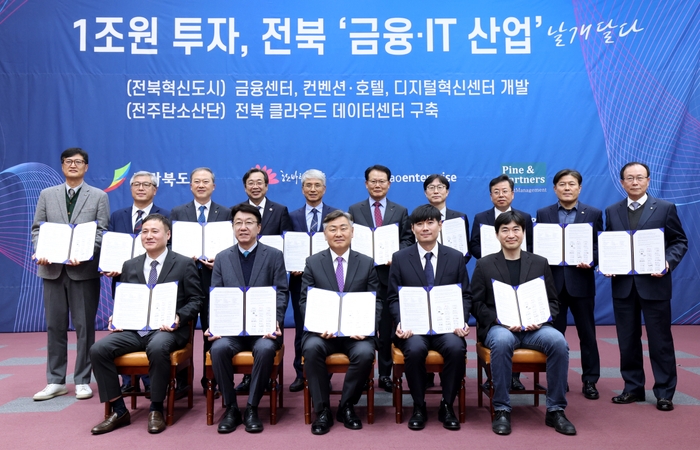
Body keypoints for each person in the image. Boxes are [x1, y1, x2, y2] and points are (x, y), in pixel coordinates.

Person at [89, 214, 203, 434]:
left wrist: (179, 316)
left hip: (168, 329)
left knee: (158, 346)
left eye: (154, 231)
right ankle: (118, 409)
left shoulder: (183, 263)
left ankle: (156, 408)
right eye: (144, 231)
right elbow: (123, 298)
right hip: (135, 330)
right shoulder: (130, 265)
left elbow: (196, 300)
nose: (148, 236)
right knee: (98, 349)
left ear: (168, 235)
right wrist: (117, 316)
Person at [471, 210, 576, 436]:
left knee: (558, 341)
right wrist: (499, 319)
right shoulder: (484, 264)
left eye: (516, 229)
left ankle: (556, 409)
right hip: (500, 328)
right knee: (501, 341)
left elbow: (553, 301)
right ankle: (502, 408)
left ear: (524, 232)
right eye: (505, 230)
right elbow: (476, 303)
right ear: (497, 235)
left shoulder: (539, 263)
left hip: (534, 329)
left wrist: (540, 319)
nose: (511, 235)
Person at [604, 162, 687, 411]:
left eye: (640, 177)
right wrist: (606, 262)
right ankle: (633, 388)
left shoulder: (665, 208)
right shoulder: (612, 211)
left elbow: (679, 241)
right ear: (622, 183)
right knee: (627, 340)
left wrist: (667, 262)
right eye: (629, 178)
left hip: (655, 284)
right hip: (623, 286)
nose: (635, 182)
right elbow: (610, 243)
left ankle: (664, 393)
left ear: (648, 180)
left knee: (660, 341)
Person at [31, 147, 110, 402]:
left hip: (83, 270)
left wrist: (85, 252)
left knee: (84, 327)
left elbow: (102, 232)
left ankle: (83, 380)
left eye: (78, 161)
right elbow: (37, 229)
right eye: (68, 161)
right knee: (54, 326)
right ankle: (55, 380)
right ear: (62, 166)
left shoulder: (98, 196)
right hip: (52, 270)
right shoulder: (47, 194)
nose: (73, 165)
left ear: (86, 167)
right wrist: (41, 250)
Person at [206, 204, 289, 434]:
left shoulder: (274, 255)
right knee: (218, 349)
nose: (243, 227)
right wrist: (214, 325)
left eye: (249, 223)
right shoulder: (222, 257)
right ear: (232, 227)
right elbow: (216, 295)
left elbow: (282, 292)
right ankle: (231, 408)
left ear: (259, 228)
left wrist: (276, 321)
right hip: (231, 331)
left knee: (265, 349)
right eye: (238, 223)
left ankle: (252, 407)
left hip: (263, 330)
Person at [387, 204, 470, 431]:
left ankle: (447, 405)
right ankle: (419, 405)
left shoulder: (455, 257)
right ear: (412, 228)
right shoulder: (400, 258)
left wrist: (461, 320)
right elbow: (393, 298)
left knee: (456, 348)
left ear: (440, 225)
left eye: (430, 223)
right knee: (414, 349)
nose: (425, 228)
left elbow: (465, 295)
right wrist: (400, 322)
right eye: (420, 224)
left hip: (447, 328)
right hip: (413, 329)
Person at [299, 210, 380, 435]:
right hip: (322, 333)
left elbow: (377, 301)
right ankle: (322, 410)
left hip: (356, 334)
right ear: (324, 234)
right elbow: (305, 301)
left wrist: (366, 327)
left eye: (343, 228)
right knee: (312, 348)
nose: (338, 233)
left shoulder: (366, 263)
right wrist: (319, 326)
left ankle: (347, 406)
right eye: (332, 229)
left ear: (352, 232)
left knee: (365, 353)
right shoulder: (313, 262)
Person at [535, 169, 602, 400]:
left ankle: (590, 380)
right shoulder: (543, 213)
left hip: (581, 282)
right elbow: (537, 247)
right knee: (554, 335)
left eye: (571, 184)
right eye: (562, 184)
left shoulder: (593, 213)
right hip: (553, 284)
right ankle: (558, 380)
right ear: (555, 189)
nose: (567, 188)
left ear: (579, 188)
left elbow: (599, 246)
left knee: (588, 334)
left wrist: (591, 259)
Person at [348, 164, 413, 394]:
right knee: (362, 328)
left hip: (388, 276)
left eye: (382, 181)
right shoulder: (354, 210)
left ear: (389, 184)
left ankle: (385, 374)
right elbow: (348, 238)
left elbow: (407, 239)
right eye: (373, 181)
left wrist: (395, 254)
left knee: (385, 331)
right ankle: (362, 374)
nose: (377, 185)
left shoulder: (400, 210)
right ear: (366, 184)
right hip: (361, 278)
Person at [170, 167, 232, 394]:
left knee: (211, 328)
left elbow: (231, 246)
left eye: (206, 182)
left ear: (213, 186)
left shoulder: (225, 213)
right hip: (184, 280)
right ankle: (183, 382)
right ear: (190, 186)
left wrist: (220, 261)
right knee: (182, 331)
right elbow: (171, 245)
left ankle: (211, 380)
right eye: (196, 181)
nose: (201, 185)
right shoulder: (178, 212)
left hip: (213, 278)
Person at [107, 170, 170, 395]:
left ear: (155, 189)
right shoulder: (117, 216)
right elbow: (110, 246)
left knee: (152, 330)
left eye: (146, 184)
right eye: (136, 184)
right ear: (131, 188)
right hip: (125, 281)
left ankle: (151, 379)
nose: (141, 188)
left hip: (156, 281)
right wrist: (109, 265)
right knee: (127, 327)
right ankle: (128, 379)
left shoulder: (166, 215)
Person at [468, 174, 532, 391]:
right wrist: (492, 257)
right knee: (494, 324)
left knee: (517, 323)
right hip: (490, 275)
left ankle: (514, 377)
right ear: (490, 196)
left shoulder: (524, 217)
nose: (501, 195)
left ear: (512, 194)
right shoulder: (481, 217)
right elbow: (473, 245)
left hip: (519, 276)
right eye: (496, 192)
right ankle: (492, 377)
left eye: (505, 191)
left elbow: (531, 246)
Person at [233, 167, 293, 393]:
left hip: (269, 274)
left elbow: (287, 242)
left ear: (267, 186)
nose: (255, 186)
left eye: (260, 182)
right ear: (245, 187)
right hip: (242, 273)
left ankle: (268, 376)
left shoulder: (280, 210)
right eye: (251, 182)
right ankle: (247, 379)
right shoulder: (237, 212)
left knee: (268, 335)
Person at [287, 169, 339, 393]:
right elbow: (287, 247)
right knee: (301, 328)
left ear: (324, 189)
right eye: (308, 185)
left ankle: (325, 374)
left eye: (317, 185)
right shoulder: (291, 217)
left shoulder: (335, 215)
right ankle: (301, 373)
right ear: (302, 189)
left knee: (327, 326)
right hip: (300, 281)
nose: (313, 189)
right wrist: (291, 265)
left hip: (329, 280)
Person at [423, 173, 470, 264]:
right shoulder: (418, 219)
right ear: (425, 193)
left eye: (440, 187)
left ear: (447, 192)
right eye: (431, 187)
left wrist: (455, 265)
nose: (436, 191)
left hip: (454, 267)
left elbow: (466, 250)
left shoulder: (459, 218)